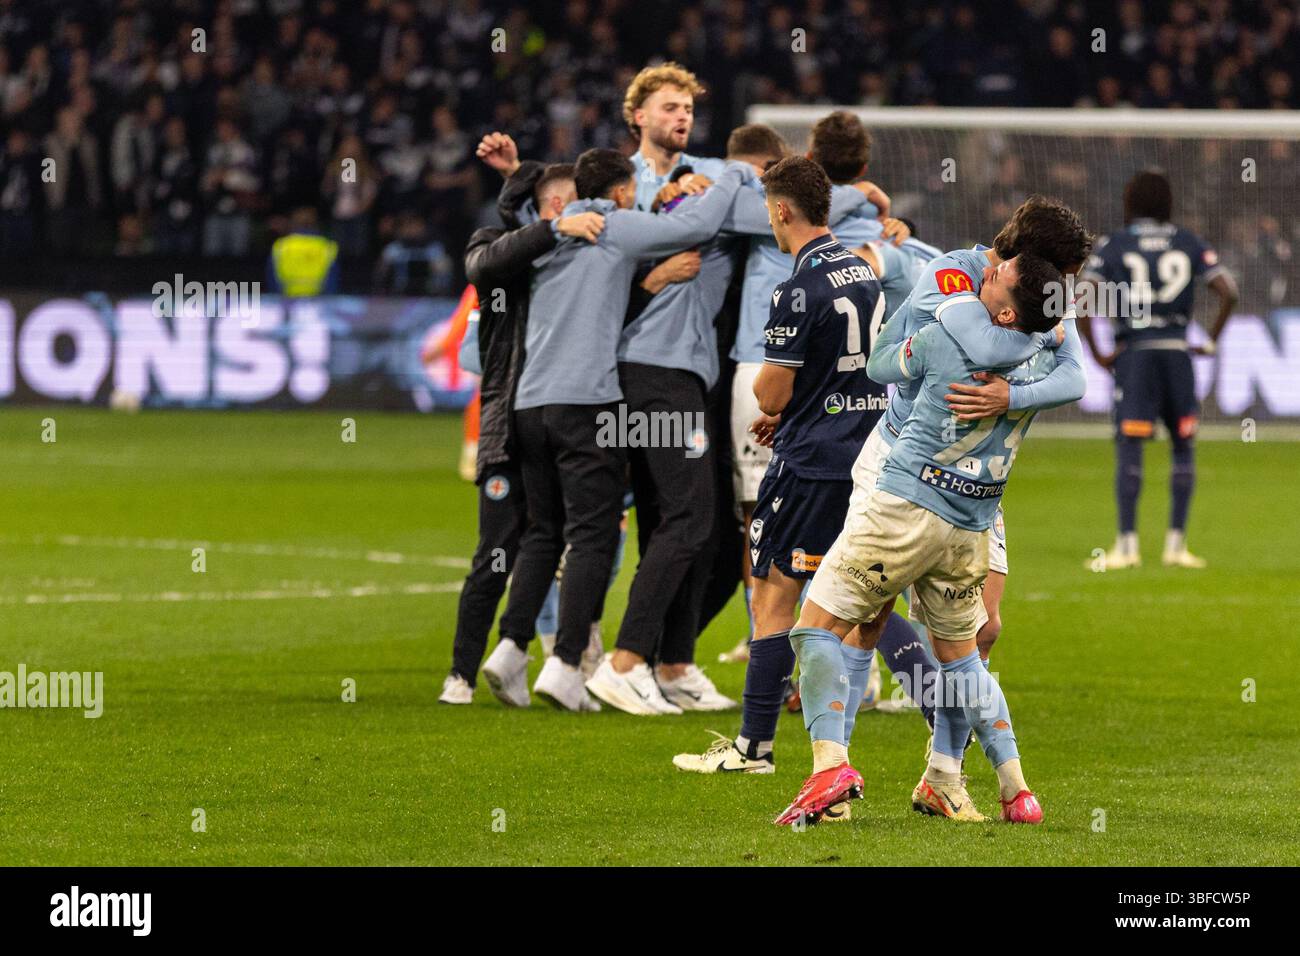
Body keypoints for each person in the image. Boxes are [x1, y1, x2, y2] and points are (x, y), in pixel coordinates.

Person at [774, 250, 1070, 827]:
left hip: (906, 506)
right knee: (963, 657)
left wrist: (913, 315)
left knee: (815, 626)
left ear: (1009, 312)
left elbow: (882, 364)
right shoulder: (1045, 359)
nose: (988, 272)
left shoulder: (945, 338)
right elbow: (1068, 365)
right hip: (970, 525)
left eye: (1000, 277)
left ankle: (830, 765)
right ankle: (1016, 790)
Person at [485, 148, 753, 714]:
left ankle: (511, 648)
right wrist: (736, 172)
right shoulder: (614, 224)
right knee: (601, 532)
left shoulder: (550, 236)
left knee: (545, 531)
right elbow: (699, 225)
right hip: (593, 401)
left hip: (530, 404)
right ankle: (582, 664)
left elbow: (494, 259)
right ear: (624, 191)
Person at [672, 156, 884, 783]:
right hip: (863, 461)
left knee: (773, 597)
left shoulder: (798, 287)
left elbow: (770, 392)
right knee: (856, 607)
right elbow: (848, 374)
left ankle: (754, 748)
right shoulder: (865, 273)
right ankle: (836, 758)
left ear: (782, 211)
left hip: (809, 466)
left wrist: (781, 405)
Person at [439, 161, 607, 705]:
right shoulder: (501, 253)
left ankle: (541, 653)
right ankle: (461, 674)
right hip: (508, 430)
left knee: (557, 534)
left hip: (551, 422)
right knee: (497, 551)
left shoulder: (577, 260)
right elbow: (484, 270)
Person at [1076, 169, 1238, 570]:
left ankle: (1126, 546)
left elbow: (1081, 297)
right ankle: (1176, 547)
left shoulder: (1116, 243)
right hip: (1177, 353)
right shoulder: (1187, 241)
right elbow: (1228, 292)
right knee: (1183, 444)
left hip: (1136, 354)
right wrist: (1212, 341)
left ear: (1130, 202)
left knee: (1130, 445)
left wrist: (1097, 353)